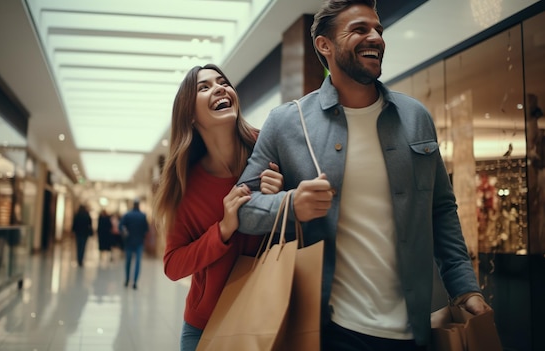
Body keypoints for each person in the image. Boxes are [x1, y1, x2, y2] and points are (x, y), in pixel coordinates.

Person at [237, 1, 492, 350]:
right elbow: (241, 211)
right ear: (324, 45)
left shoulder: (415, 116)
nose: (375, 37)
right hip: (331, 329)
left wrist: (465, 288)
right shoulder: (287, 122)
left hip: (418, 326)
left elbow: (442, 211)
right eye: (359, 29)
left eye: (378, 30)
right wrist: (292, 203)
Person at [152, 63, 283, 351]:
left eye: (223, 82)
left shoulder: (270, 146)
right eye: (204, 87)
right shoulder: (185, 186)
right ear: (190, 115)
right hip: (207, 324)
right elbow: (173, 265)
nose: (219, 88)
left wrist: (280, 196)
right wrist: (222, 230)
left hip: (272, 315)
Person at [118, 199, 149, 289]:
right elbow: (146, 230)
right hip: (139, 242)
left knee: (128, 262)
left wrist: (125, 232)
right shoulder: (142, 216)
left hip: (129, 242)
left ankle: (127, 279)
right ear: (138, 205)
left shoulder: (127, 215)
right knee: (138, 263)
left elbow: (120, 226)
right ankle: (135, 282)